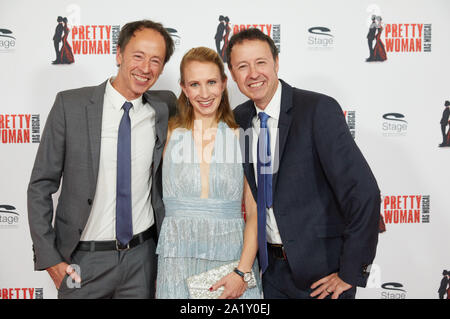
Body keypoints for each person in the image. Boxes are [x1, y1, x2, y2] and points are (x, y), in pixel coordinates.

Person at [227, 28, 380, 299]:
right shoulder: (239, 119)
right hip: (271, 274)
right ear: (233, 74)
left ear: (276, 63)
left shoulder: (317, 109)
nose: (253, 73)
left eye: (260, 62)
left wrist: (350, 272)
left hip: (323, 275)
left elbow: (363, 192)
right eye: (242, 66)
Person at [27, 20, 176, 299]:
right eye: (138, 56)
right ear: (119, 53)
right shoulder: (70, 106)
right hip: (82, 261)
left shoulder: (164, 107)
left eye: (155, 60)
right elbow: (40, 185)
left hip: (141, 261)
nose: (145, 68)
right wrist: (50, 259)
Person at [156, 47, 261, 299]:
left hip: (233, 264)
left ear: (224, 84)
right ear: (183, 87)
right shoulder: (166, 133)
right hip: (175, 263)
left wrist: (241, 272)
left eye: (211, 82)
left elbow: (255, 212)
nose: (204, 93)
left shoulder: (241, 136)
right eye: (195, 84)